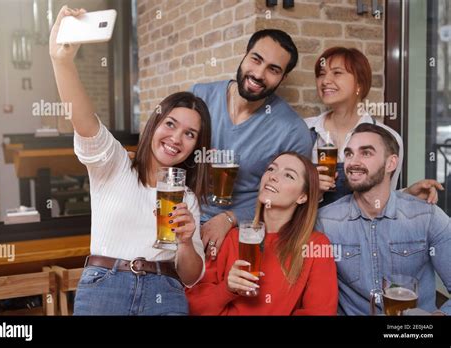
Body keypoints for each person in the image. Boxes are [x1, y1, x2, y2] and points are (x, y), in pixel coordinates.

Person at [50, 6, 211, 315]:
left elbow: (191, 276)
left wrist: (187, 242)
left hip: (165, 291)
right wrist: (62, 61)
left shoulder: (186, 200)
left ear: (196, 147)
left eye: (190, 134)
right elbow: (84, 121)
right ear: (154, 124)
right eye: (171, 124)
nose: (177, 138)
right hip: (105, 287)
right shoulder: (114, 164)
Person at [191, 29, 312, 258]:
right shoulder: (200, 96)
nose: (258, 74)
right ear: (244, 55)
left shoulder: (293, 130)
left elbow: (290, 200)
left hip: (243, 229)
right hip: (186, 215)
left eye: (273, 70)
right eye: (256, 59)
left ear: (283, 78)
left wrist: (229, 218)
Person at [316, 123, 451, 315]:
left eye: (366, 153)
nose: (353, 162)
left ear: (391, 163)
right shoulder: (325, 222)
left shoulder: (427, 217)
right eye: (349, 154)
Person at [187, 152, 338, 315]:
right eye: (271, 169)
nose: (273, 176)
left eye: (288, 175)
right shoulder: (231, 238)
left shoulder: (315, 246)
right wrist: (226, 289)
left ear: (302, 196)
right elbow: (194, 305)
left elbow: (319, 311)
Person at [305, 47, 443, 206]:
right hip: (312, 228)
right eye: (321, 74)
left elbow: (385, 199)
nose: (325, 81)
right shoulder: (304, 129)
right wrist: (312, 190)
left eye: (337, 73)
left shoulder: (388, 138)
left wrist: (408, 194)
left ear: (359, 83)